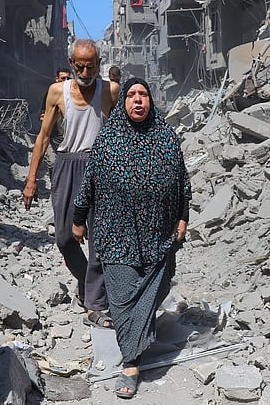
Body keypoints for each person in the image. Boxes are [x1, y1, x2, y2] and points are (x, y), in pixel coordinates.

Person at [71, 77, 191, 399]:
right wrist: (79, 219)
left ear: (151, 101)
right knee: (123, 299)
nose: (138, 100)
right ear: (123, 101)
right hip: (115, 234)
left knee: (156, 287)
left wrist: (182, 218)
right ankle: (131, 364)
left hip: (158, 234)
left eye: (144, 95)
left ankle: (138, 334)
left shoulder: (166, 138)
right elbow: (89, 184)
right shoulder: (108, 140)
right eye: (132, 95)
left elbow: (182, 182)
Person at [23, 38, 120, 328]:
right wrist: (31, 180)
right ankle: (87, 280)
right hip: (66, 166)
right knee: (65, 238)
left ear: (99, 65)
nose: (86, 71)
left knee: (99, 240)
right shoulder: (57, 92)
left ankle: (95, 304)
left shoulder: (110, 91)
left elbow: (119, 133)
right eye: (80, 66)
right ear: (71, 64)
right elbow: (42, 138)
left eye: (91, 66)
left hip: (98, 166)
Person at [38, 67, 72, 174]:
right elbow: (43, 114)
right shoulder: (51, 95)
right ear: (57, 79)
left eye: (68, 78)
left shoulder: (74, 97)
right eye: (63, 78)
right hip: (52, 139)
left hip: (68, 141)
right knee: (53, 164)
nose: (65, 81)